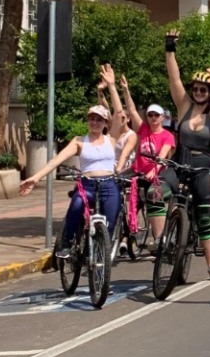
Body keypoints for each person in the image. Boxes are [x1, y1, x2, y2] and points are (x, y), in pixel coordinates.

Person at [162, 34, 210, 280]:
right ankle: (159, 239)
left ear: (208, 93)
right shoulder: (183, 106)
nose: (198, 92)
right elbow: (174, 77)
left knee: (204, 211)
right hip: (180, 161)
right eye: (195, 88)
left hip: (204, 166)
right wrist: (170, 49)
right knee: (155, 193)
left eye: (203, 90)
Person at [20, 103, 131, 252]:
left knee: (110, 222)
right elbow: (55, 161)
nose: (95, 123)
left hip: (108, 185)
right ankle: (68, 242)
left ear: (106, 123)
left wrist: (112, 85)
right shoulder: (79, 141)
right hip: (87, 185)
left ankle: (101, 258)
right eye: (91, 119)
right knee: (76, 205)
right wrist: (36, 177)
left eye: (99, 119)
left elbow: (118, 112)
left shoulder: (111, 139)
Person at [119, 74, 176, 245]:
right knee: (112, 186)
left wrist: (155, 169)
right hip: (137, 171)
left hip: (156, 175)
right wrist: (125, 90)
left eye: (156, 115)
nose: (152, 118)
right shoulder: (143, 128)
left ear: (162, 118)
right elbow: (132, 110)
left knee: (153, 196)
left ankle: (159, 240)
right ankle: (119, 234)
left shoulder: (167, 136)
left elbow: (163, 156)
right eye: (150, 115)